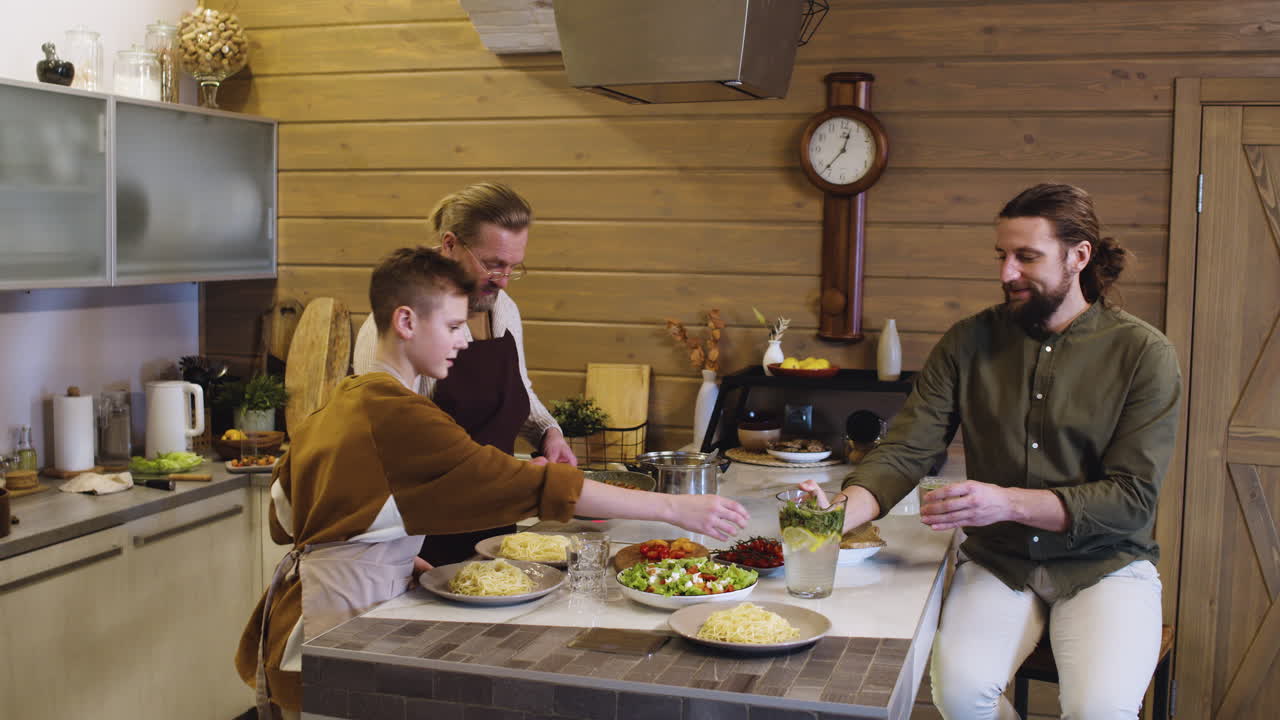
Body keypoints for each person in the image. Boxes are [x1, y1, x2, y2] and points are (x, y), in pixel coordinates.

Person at [238, 247, 749, 719]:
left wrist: (385, 548)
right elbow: (525, 482)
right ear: (406, 322)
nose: (465, 340)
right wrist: (673, 508)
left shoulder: (345, 400)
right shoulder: (401, 414)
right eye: (454, 325)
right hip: (346, 627)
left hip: (312, 612)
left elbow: (286, 515)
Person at [802, 184, 1181, 720]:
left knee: (1098, 710)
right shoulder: (967, 341)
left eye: (1027, 257)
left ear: (1078, 256)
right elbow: (906, 449)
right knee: (959, 696)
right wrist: (836, 515)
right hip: (1001, 562)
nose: (1007, 273)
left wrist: (1006, 501)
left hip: (1105, 564)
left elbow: (1132, 500)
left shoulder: (1144, 353)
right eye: (1002, 255)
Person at [353, 183, 575, 567]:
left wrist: (547, 432)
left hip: (495, 526)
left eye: (513, 267)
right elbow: (391, 450)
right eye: (493, 264)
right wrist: (522, 478)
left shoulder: (503, 308)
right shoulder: (397, 326)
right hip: (420, 542)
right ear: (450, 244)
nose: (503, 279)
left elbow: (518, 387)